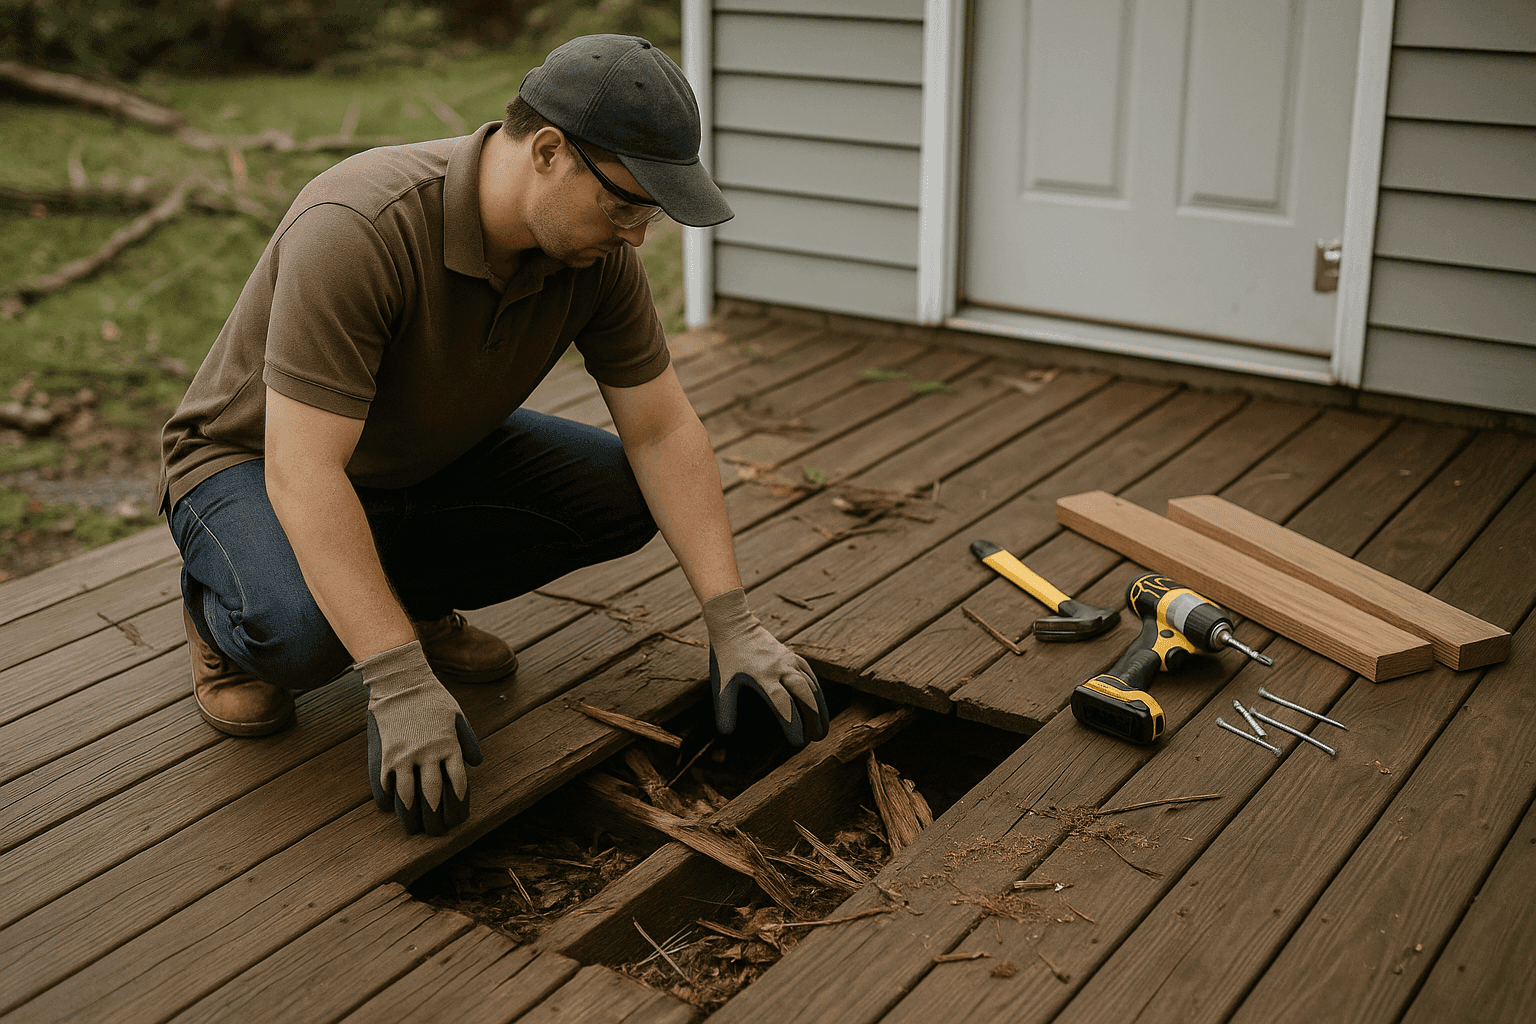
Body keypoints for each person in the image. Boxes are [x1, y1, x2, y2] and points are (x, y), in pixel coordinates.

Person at [156, 34, 828, 837]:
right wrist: (398, 680)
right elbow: (304, 474)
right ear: (549, 150)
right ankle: (220, 616)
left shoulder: (593, 257)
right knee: (304, 643)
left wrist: (733, 621)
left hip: (417, 456)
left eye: (649, 212)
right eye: (626, 204)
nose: (637, 235)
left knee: (618, 495)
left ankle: (405, 600)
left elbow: (661, 428)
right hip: (250, 462)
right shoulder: (360, 224)